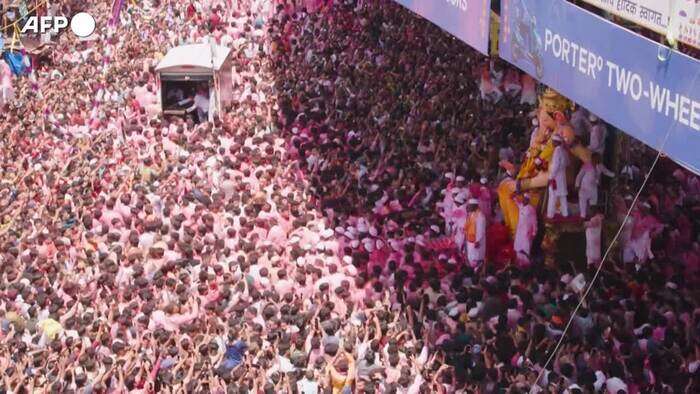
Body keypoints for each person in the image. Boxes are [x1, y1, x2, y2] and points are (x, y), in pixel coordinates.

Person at [575, 153, 615, 218]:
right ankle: (582, 220)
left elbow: (606, 172)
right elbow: (579, 175)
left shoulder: (600, 166)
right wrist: (577, 185)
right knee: (583, 208)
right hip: (584, 188)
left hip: (593, 188)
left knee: (593, 205)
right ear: (593, 158)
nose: (600, 159)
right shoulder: (586, 165)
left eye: (600, 158)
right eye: (598, 158)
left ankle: (592, 220)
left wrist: (614, 175)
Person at [547, 133, 570, 219]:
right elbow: (568, 163)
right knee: (563, 196)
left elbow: (555, 165)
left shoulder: (557, 150)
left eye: (553, 141)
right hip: (562, 176)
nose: (552, 143)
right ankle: (565, 213)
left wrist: (550, 177)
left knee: (553, 196)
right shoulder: (564, 150)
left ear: (556, 142)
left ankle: (550, 215)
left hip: (556, 177)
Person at [513, 193, 537, 267]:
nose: (523, 200)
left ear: (528, 200)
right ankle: (519, 263)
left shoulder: (531, 209)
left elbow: (534, 221)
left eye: (526, 199)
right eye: (523, 199)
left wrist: (534, 232)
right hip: (519, 232)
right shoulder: (521, 206)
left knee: (526, 249)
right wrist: (514, 197)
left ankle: (526, 265)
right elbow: (517, 202)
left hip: (527, 232)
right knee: (518, 248)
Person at [464, 198, 486, 268]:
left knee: (477, 258)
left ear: (475, 206)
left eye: (470, 206)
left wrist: (477, 241)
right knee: (471, 257)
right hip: (470, 240)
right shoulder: (472, 214)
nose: (468, 207)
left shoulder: (480, 216)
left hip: (476, 241)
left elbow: (481, 230)